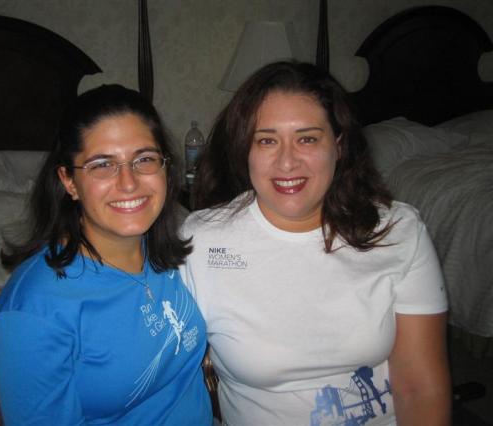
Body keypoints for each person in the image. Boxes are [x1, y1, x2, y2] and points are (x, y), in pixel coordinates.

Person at [180, 62, 451, 425]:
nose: (287, 162)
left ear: (338, 146)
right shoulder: (203, 241)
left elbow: (419, 387)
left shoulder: (398, 230)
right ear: (246, 151)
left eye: (307, 139)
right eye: (267, 140)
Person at [0, 84, 212, 425]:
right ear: (69, 181)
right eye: (102, 165)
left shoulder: (172, 253)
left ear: (165, 167)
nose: (129, 183)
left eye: (144, 159)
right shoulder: (33, 312)